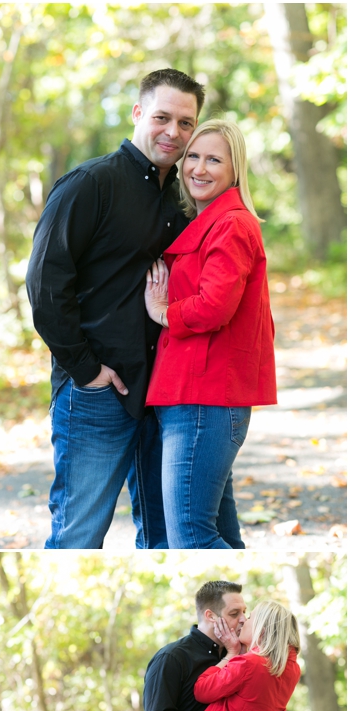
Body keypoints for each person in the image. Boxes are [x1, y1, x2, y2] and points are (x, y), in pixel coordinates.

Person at [25, 68, 205, 549]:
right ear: (138, 113)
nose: (174, 132)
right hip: (99, 393)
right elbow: (44, 284)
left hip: (166, 394)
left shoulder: (186, 200)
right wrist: (86, 369)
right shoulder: (90, 184)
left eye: (186, 123)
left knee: (167, 537)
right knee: (78, 537)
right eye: (163, 117)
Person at [143, 119, 276, 549]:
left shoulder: (232, 224)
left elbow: (215, 306)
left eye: (214, 159)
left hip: (205, 399)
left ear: (235, 169)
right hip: (196, 396)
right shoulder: (208, 222)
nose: (198, 168)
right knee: (219, 533)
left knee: (192, 537)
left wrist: (163, 312)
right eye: (193, 157)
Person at [143, 580, 245, 711]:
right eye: (234, 613)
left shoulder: (233, 656)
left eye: (245, 612)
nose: (243, 620)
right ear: (210, 616)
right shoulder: (172, 658)